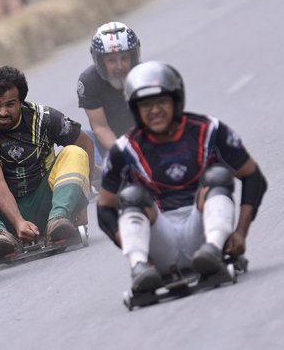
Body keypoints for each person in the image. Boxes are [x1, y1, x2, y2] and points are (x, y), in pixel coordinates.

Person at [96, 61, 267, 292]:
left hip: (206, 233)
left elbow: (253, 176)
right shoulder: (124, 149)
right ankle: (139, 267)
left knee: (218, 177)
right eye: (146, 105)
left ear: (176, 101)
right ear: (135, 109)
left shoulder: (210, 130)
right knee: (131, 196)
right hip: (161, 240)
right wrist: (140, 255)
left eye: (161, 102)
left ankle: (213, 250)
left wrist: (240, 234)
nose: (154, 110)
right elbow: (105, 207)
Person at [0, 66, 94, 260]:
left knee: (74, 152)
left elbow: (86, 144)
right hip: (5, 218)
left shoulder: (45, 117)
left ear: (21, 102)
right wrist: (18, 222)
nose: (2, 112)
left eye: (10, 104)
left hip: (49, 206)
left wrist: (82, 203)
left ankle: (59, 219)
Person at [77, 21, 140, 168]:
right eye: (111, 60)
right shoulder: (89, 81)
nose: (119, 66)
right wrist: (123, 154)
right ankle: (101, 176)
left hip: (144, 138)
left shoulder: (144, 74)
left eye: (124, 58)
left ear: (134, 57)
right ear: (100, 62)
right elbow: (100, 128)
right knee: (83, 136)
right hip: (109, 144)